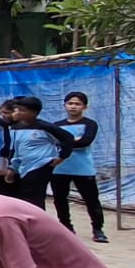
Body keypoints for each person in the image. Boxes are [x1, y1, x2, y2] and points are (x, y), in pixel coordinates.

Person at [50, 91, 107, 242]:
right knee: (60, 199)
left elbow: (85, 142)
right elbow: (53, 142)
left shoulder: (90, 124)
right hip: (59, 167)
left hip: (83, 168)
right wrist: (73, 141)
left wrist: (65, 142)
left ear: (84, 107)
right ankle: (66, 226)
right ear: (64, 105)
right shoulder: (57, 125)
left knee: (91, 199)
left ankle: (98, 228)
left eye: (77, 104)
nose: (73, 107)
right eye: (70, 103)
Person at [2, 96, 76, 211]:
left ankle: (38, 219)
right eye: (18, 110)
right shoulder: (15, 128)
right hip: (22, 166)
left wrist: (61, 157)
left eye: (23, 110)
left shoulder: (44, 127)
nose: (19, 113)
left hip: (40, 165)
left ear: (34, 113)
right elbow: (15, 149)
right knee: (21, 196)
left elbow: (68, 138)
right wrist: (12, 167)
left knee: (34, 197)